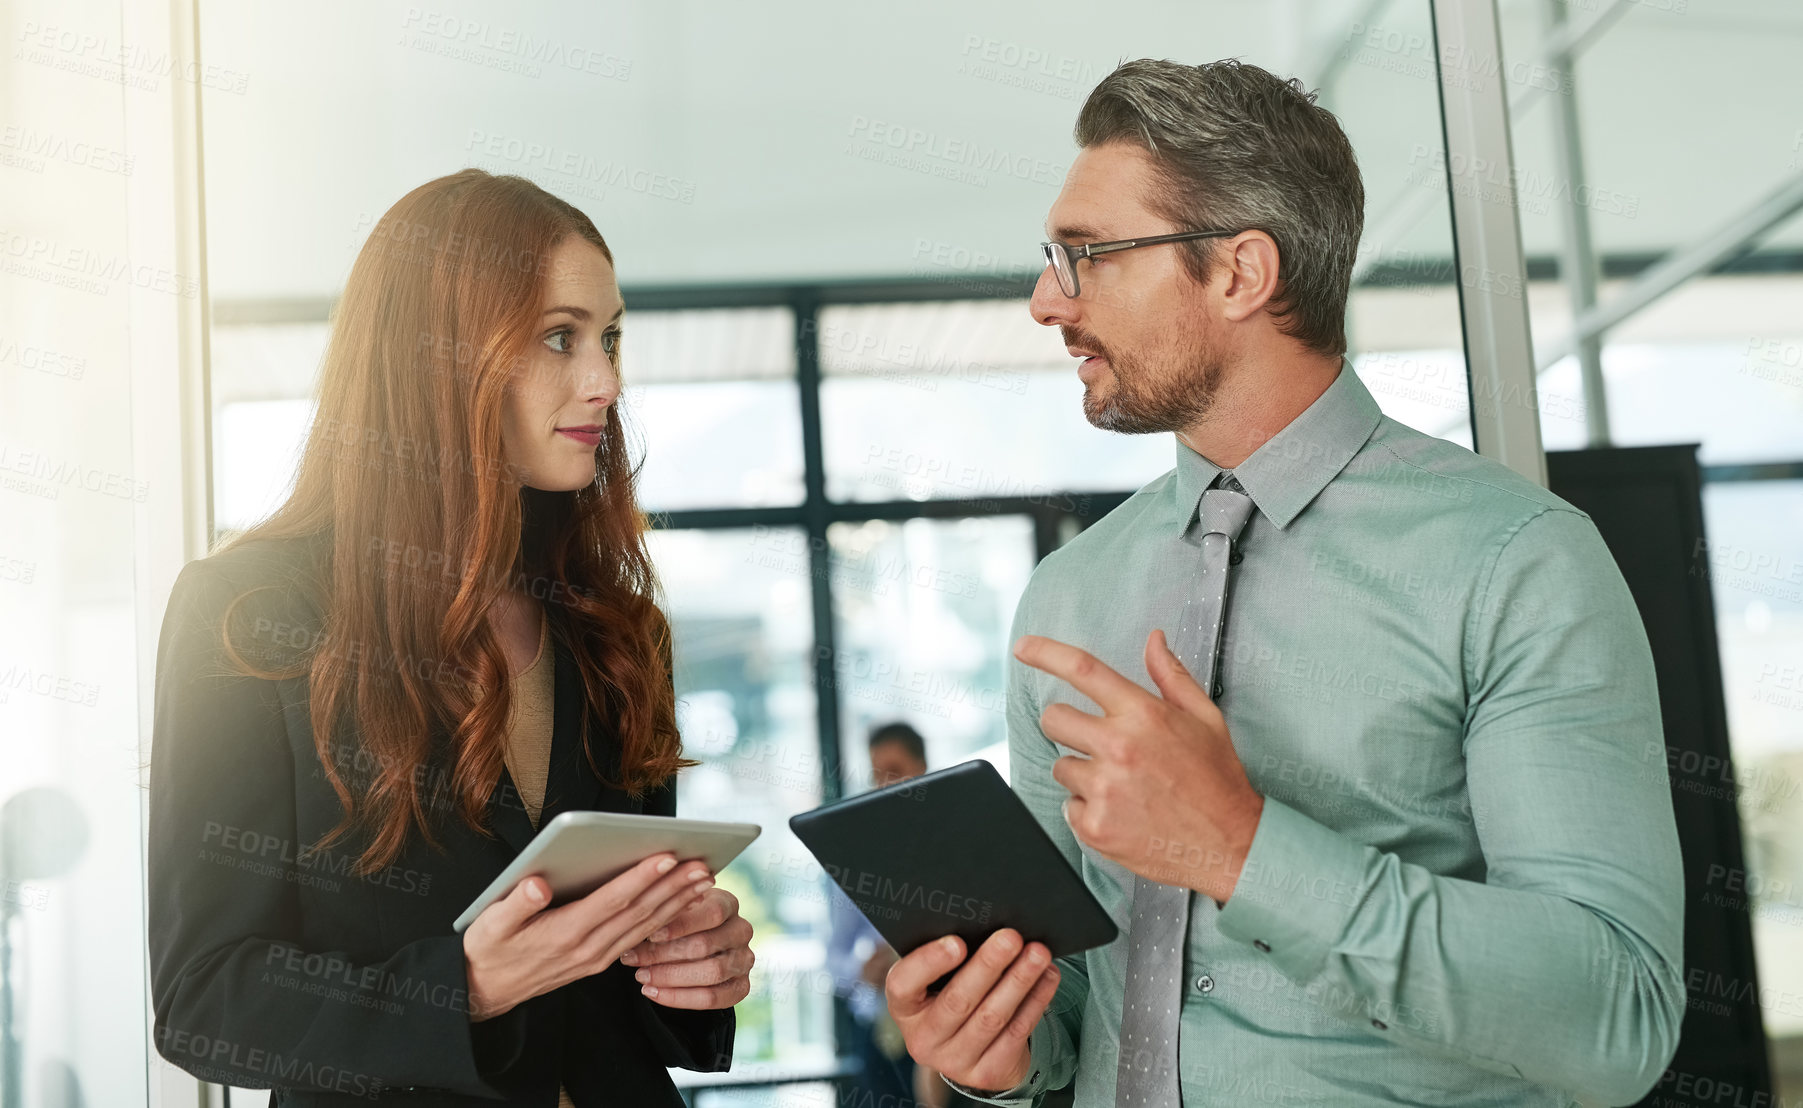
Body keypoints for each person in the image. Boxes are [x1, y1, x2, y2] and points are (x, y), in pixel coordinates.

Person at [883, 59, 1684, 1107]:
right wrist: (1000, 1049)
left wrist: (1242, 847)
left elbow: (1617, 1019)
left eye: (1088, 256)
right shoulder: (1068, 600)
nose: (1046, 300)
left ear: (1239, 274)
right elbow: (1078, 1000)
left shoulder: (1516, 561)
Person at [148, 169, 754, 1107]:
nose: (606, 381)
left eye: (611, 337)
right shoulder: (247, 613)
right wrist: (465, 986)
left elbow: (623, 994)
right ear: (436, 358)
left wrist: (692, 971)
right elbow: (203, 1000)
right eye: (561, 338)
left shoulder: (616, 629)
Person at [826, 724, 977, 1108]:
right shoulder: (854, 853)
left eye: (894, 769)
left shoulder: (961, 842)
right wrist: (862, 969)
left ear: (923, 767)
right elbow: (834, 955)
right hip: (878, 1032)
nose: (884, 783)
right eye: (877, 773)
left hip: (953, 1010)